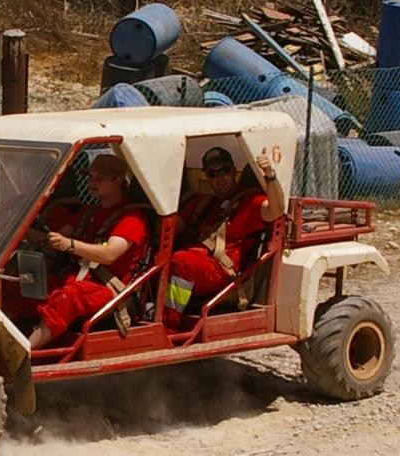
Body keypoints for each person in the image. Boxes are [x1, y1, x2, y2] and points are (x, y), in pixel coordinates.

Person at [25, 153, 150, 349]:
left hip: (108, 289)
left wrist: (70, 245)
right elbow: (57, 238)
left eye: (99, 178)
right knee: (25, 284)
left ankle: (24, 352)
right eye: (90, 177)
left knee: (69, 296)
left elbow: (109, 254)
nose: (92, 182)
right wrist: (24, 231)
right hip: (77, 278)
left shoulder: (132, 218)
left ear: (117, 181)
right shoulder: (89, 212)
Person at [164, 147, 285, 331]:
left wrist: (270, 176)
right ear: (206, 176)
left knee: (181, 262)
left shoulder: (250, 201)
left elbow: (276, 209)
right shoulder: (203, 203)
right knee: (162, 258)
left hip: (223, 269)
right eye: (212, 173)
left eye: (224, 170)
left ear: (234, 170)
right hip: (199, 262)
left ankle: (169, 327)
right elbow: (169, 228)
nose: (219, 177)